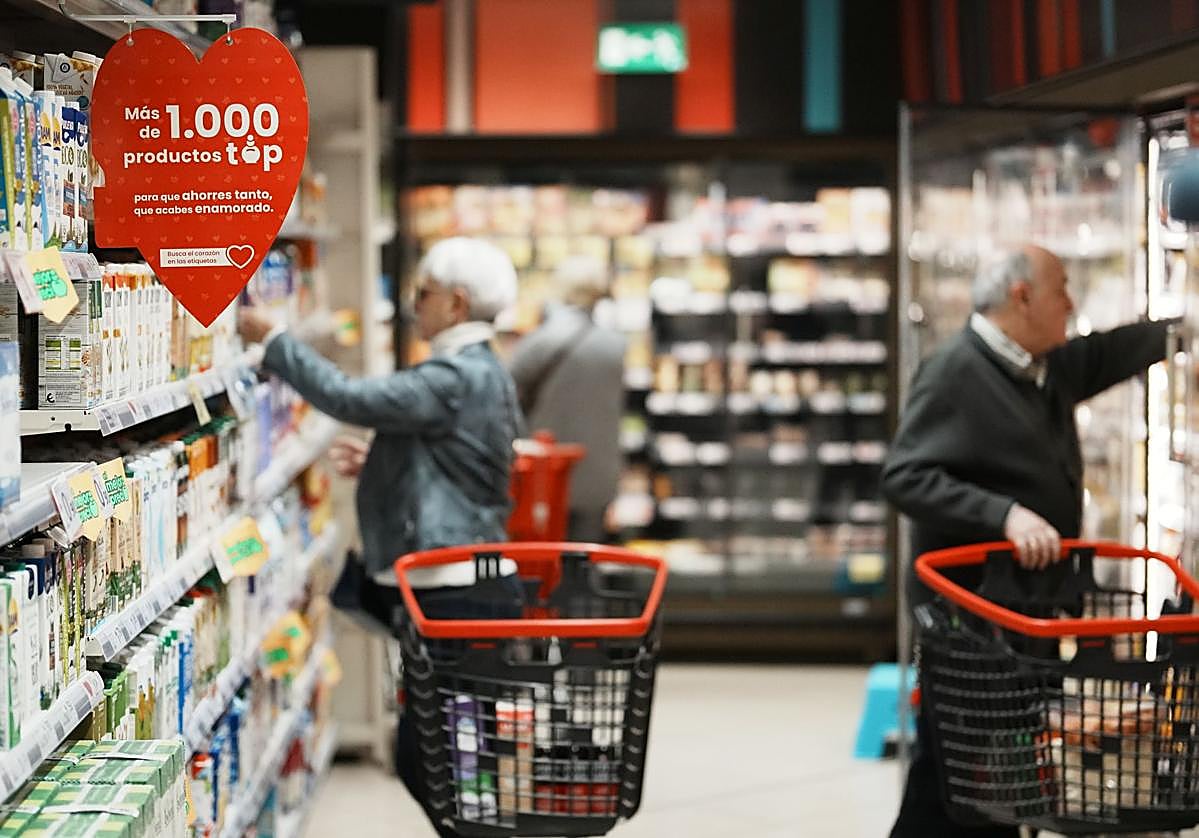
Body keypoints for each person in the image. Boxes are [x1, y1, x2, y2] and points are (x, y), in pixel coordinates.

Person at [238, 236, 524, 838]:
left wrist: (275, 340)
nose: (415, 304)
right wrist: (384, 464)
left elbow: (351, 397)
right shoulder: (478, 370)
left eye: (424, 293)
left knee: (439, 752)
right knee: (446, 748)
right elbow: (454, 460)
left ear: (457, 302)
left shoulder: (455, 373)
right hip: (463, 577)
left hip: (452, 583)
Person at [881, 245, 1171, 837]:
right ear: (1022, 297)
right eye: (1061, 289)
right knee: (964, 774)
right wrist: (1004, 515)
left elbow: (1101, 354)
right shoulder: (955, 372)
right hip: (970, 620)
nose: (1072, 303)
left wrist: (1177, 330)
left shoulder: (1040, 365)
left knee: (985, 772)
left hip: (1021, 615)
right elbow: (905, 476)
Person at [507, 255, 627, 542]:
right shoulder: (615, 345)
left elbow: (506, 395)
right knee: (583, 561)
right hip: (597, 475)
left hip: (544, 475)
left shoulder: (539, 342)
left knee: (541, 564)